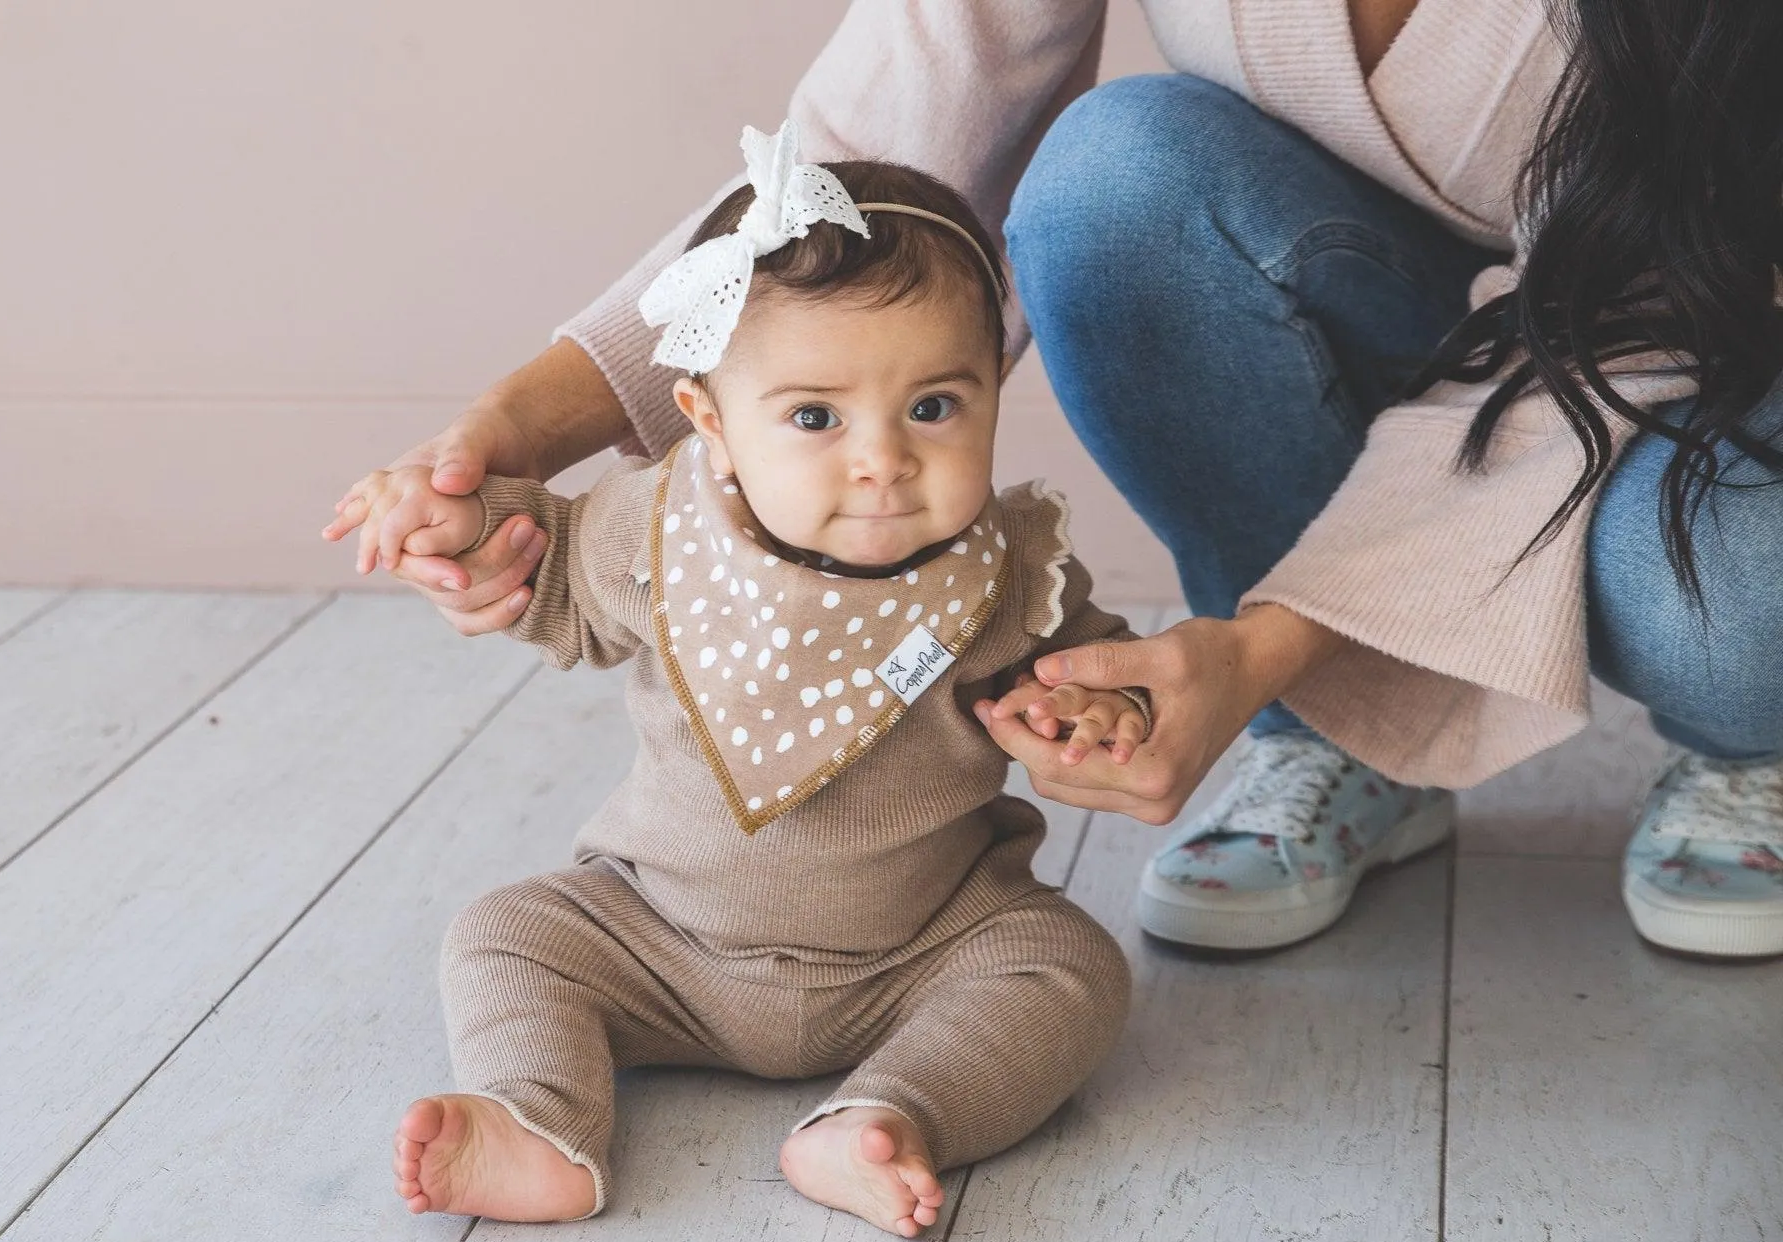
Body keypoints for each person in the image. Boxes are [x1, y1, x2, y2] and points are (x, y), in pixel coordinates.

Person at [328, 0, 1783, 960]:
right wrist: (510, 434)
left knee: (1730, 593)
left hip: (1694, 331)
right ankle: (1330, 730)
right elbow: (853, 172)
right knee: (1114, 181)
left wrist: (1276, 629)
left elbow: (1630, 317)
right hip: (1382, 286)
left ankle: (1748, 748)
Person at [332, 126, 1152, 1233]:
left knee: (1071, 970)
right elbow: (552, 566)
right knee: (504, 932)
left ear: (993, 397)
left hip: (920, 951)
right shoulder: (659, 529)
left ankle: (891, 1117)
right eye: (816, 417)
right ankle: (536, 1117)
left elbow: (1097, 670)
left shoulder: (1011, 575)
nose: (883, 456)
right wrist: (465, 521)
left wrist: (1101, 712)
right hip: (661, 940)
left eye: (935, 407)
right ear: (711, 423)